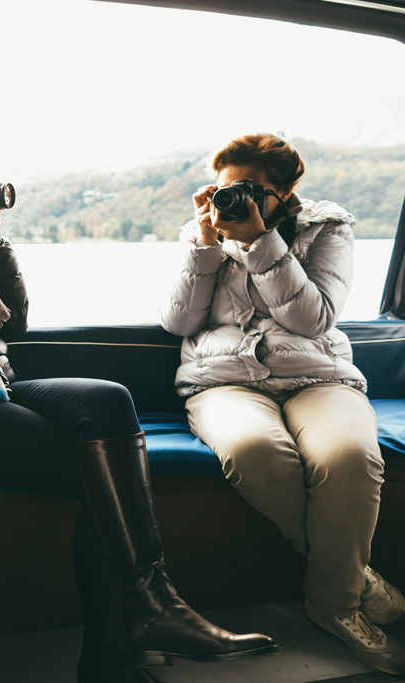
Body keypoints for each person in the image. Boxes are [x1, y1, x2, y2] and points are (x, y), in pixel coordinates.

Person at [0, 134, 279, 683]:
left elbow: (17, 323)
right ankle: (124, 642)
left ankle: (151, 609)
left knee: (108, 399)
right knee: (101, 476)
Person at [160, 133, 405, 675]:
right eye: (225, 189)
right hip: (222, 380)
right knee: (254, 452)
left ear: (285, 191)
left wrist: (260, 242)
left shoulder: (327, 228)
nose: (234, 200)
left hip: (317, 374)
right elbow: (179, 323)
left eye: (250, 189)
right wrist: (204, 248)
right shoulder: (202, 233)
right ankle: (352, 578)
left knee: (348, 459)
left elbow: (313, 319)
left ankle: (332, 606)